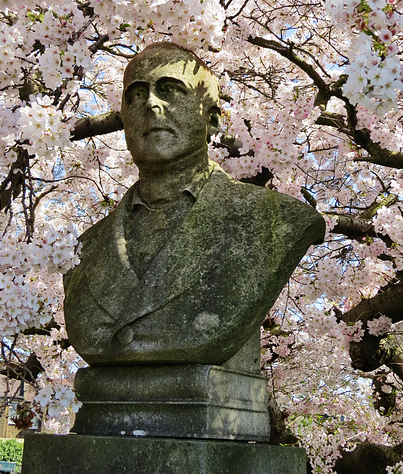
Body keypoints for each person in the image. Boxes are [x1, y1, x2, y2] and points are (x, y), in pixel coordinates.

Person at [64, 42, 325, 368]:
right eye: (136, 95)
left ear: (212, 120)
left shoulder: (272, 220)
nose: (151, 105)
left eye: (170, 91)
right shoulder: (84, 251)